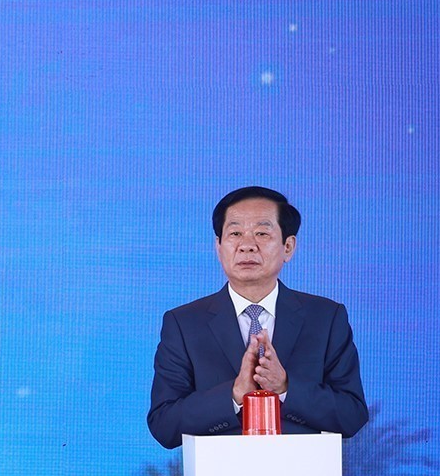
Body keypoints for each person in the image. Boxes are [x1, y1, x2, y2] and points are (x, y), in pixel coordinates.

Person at [148, 185, 368, 449]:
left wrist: (285, 387)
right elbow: (164, 424)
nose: (247, 246)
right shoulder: (184, 324)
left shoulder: (326, 318)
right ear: (218, 246)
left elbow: (352, 415)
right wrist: (234, 395)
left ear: (288, 246)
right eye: (235, 233)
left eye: (262, 233)